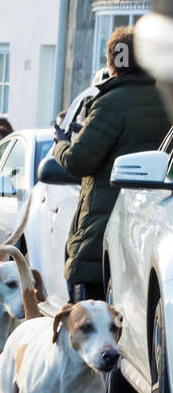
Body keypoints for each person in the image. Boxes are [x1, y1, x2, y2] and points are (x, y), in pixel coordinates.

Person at [54, 26, 170, 302]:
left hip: (104, 229)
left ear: (111, 64)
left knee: (90, 330)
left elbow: (78, 161)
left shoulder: (110, 103)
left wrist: (60, 142)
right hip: (154, 224)